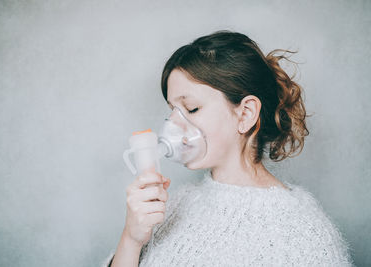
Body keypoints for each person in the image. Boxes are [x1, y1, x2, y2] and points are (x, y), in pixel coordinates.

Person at [103, 30, 354, 266]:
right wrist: (132, 239)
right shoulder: (175, 206)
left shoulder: (303, 230)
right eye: (173, 111)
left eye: (191, 108)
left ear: (245, 114)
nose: (174, 125)